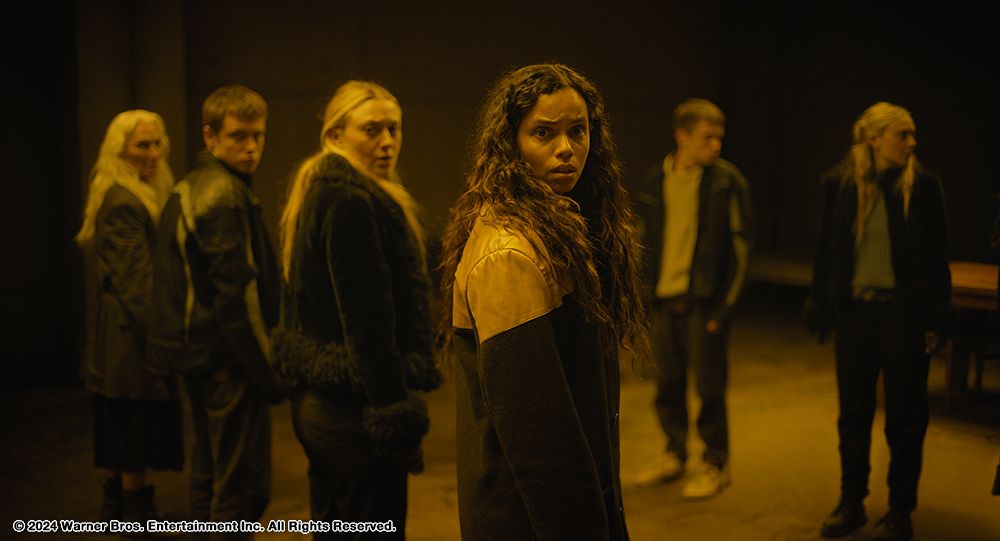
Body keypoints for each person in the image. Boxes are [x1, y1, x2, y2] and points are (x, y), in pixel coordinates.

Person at [439, 63, 647, 541]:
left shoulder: (562, 227)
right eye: (543, 133)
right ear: (511, 144)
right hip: (526, 518)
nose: (566, 148)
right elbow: (539, 435)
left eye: (578, 130)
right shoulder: (509, 255)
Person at [273, 81, 440, 539]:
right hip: (354, 412)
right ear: (335, 135)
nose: (387, 141)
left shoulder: (323, 190)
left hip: (324, 402)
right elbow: (369, 324)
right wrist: (394, 412)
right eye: (371, 129)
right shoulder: (350, 200)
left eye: (394, 128)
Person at [805, 102, 951, 541]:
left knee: (905, 419)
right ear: (873, 139)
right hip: (855, 315)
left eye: (912, 134)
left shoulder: (922, 186)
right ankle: (851, 503)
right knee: (853, 416)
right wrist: (822, 304)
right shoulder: (841, 183)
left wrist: (936, 317)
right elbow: (825, 250)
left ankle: (900, 511)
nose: (912, 142)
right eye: (902, 134)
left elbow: (937, 256)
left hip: (903, 316)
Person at [149, 85, 284, 539]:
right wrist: (268, 375)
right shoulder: (224, 195)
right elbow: (236, 298)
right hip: (228, 362)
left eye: (258, 135)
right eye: (238, 136)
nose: (251, 147)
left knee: (208, 474)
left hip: (196, 356)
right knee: (240, 488)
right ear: (210, 136)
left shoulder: (188, 186)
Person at [633, 98, 752, 500]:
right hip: (663, 302)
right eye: (707, 137)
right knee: (667, 384)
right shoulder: (655, 180)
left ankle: (715, 463)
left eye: (720, 136)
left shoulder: (725, 181)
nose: (716, 144)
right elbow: (642, 242)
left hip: (703, 303)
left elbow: (741, 248)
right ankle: (674, 452)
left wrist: (724, 308)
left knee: (710, 388)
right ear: (681, 136)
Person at [76, 110, 183, 525]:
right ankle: (135, 513)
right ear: (120, 149)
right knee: (131, 417)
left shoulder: (128, 191)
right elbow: (136, 283)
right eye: (143, 145)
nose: (153, 152)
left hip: (121, 329)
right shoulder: (125, 200)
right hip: (129, 333)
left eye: (158, 143)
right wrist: (167, 336)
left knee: (119, 415)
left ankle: (116, 505)